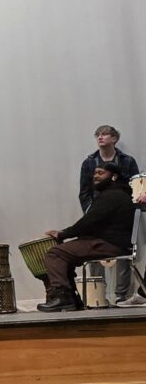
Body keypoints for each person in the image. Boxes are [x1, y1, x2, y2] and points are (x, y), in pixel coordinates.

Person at [40, 163, 135, 311]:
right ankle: (73, 299)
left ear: (114, 176)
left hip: (108, 244)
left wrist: (63, 234)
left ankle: (62, 297)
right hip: (110, 242)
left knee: (55, 254)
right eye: (95, 173)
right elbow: (91, 223)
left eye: (101, 173)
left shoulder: (112, 196)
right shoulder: (118, 194)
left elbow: (89, 221)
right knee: (66, 256)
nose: (95, 176)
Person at [79, 125, 139, 302]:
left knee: (123, 251)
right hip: (98, 212)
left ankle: (121, 295)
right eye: (97, 134)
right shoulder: (89, 162)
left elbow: (135, 186)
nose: (100, 137)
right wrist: (90, 212)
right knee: (94, 250)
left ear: (114, 138)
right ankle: (98, 294)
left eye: (104, 134)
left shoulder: (127, 161)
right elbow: (84, 191)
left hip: (122, 212)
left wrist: (129, 208)